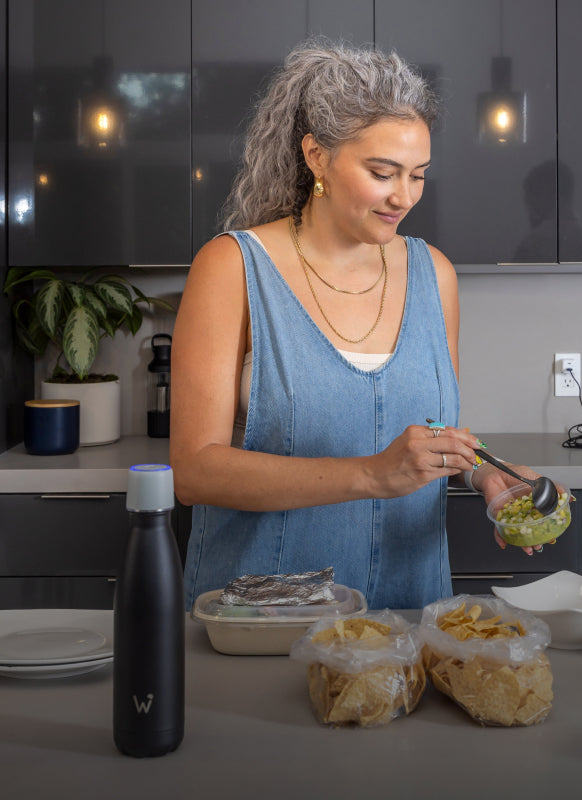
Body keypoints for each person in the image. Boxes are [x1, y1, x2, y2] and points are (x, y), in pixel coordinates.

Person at [171, 40, 545, 612]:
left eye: (418, 175)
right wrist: (372, 475)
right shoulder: (232, 267)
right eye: (382, 172)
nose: (404, 196)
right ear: (317, 157)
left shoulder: (434, 274)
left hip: (409, 611)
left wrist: (485, 477)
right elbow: (195, 470)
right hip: (264, 617)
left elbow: (435, 435)